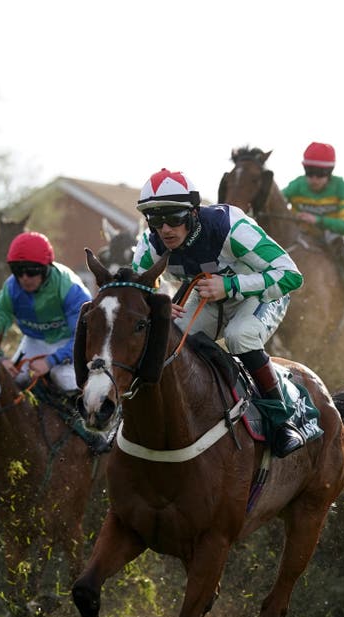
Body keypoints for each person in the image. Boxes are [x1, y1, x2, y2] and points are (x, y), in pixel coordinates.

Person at [131, 168, 306, 458]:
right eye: (156, 220)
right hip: (208, 297)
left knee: (240, 336)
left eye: (174, 218)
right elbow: (135, 289)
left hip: (259, 294)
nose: (166, 230)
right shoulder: (151, 243)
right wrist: (157, 301)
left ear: (194, 213)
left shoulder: (230, 227)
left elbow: (291, 276)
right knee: (169, 338)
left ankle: (282, 421)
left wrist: (231, 285)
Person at [0, 230, 98, 466]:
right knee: (7, 380)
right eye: (18, 271)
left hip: (71, 343)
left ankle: (90, 431)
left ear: (46, 268)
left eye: (31, 271)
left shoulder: (70, 288)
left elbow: (84, 337)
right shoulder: (11, 289)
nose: (25, 278)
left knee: (63, 379)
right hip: (34, 340)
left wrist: (50, 361)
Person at [282, 142, 344, 302]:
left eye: (320, 174)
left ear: (329, 172)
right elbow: (275, 205)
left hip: (334, 239)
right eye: (309, 172)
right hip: (302, 236)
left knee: (338, 240)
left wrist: (318, 220)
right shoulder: (297, 185)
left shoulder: (341, 187)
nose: (313, 179)